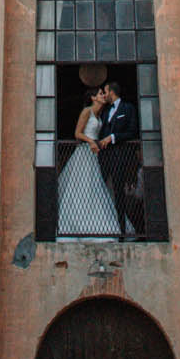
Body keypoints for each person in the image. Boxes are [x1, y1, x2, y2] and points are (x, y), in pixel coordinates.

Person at [56, 86, 123, 238]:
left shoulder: (100, 115)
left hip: (93, 154)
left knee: (94, 186)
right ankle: (75, 225)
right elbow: (77, 133)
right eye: (100, 94)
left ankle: (96, 223)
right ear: (93, 98)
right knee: (82, 186)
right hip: (84, 152)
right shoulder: (87, 111)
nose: (103, 96)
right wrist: (91, 142)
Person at [93, 79, 143, 240]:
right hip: (104, 158)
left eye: (105, 92)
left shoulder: (128, 108)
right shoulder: (106, 111)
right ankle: (100, 226)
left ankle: (121, 230)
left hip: (120, 157)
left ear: (112, 92)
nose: (104, 95)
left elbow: (132, 131)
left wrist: (113, 137)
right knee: (100, 190)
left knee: (118, 193)